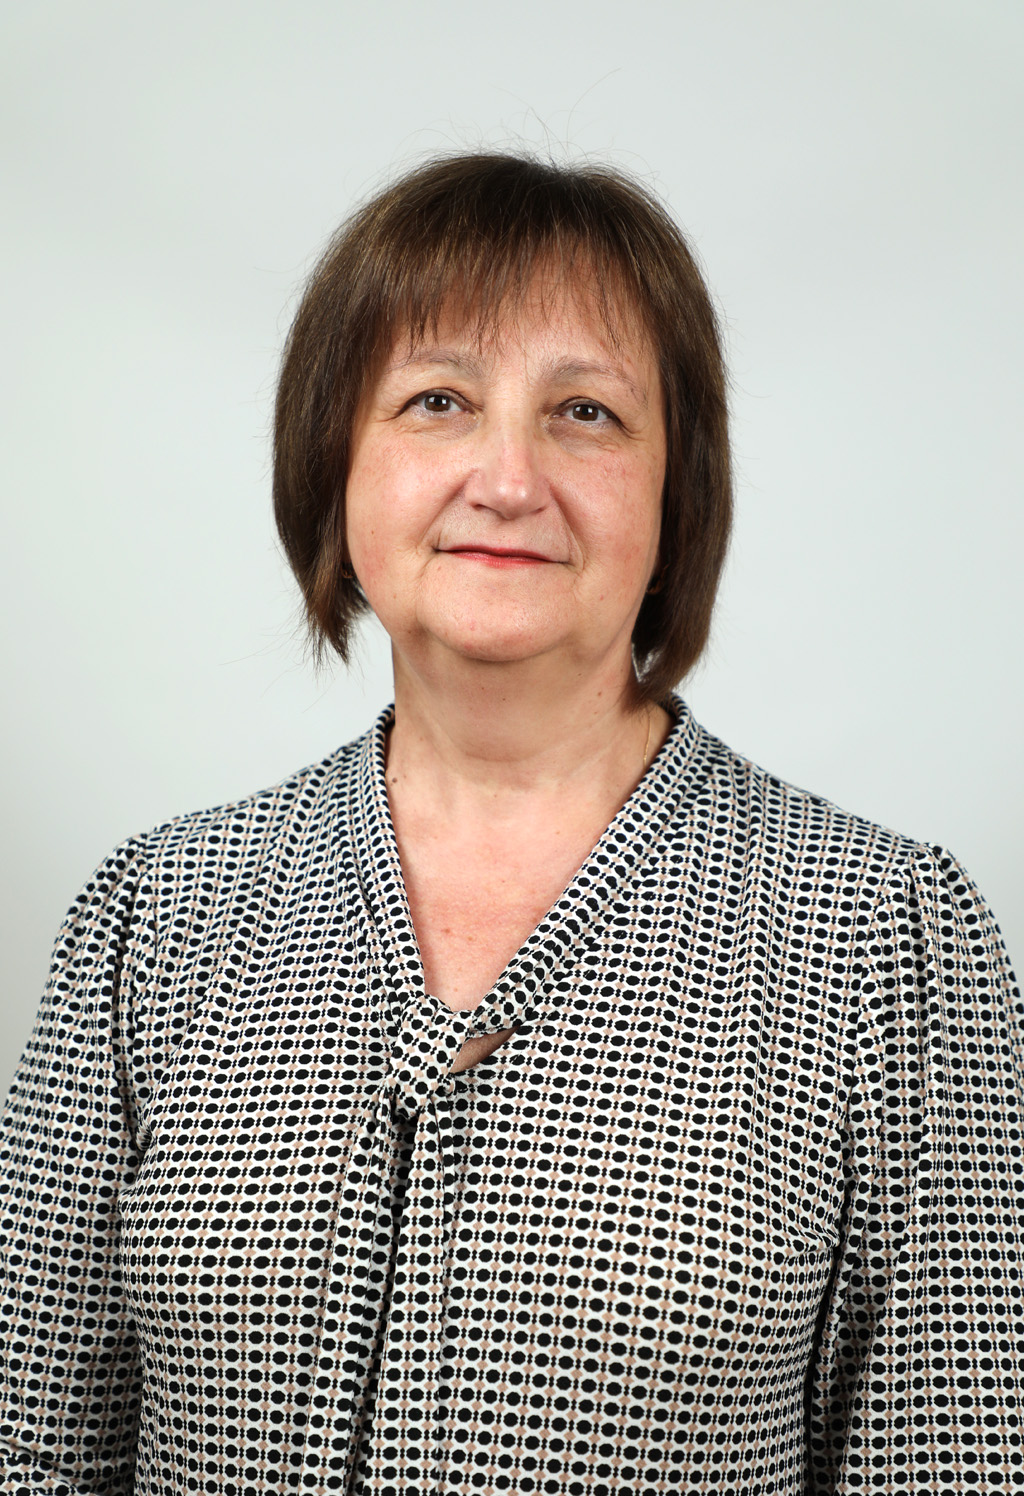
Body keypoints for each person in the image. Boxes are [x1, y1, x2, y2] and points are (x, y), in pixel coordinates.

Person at [0, 152, 1021, 1496]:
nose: (508, 477)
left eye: (586, 413)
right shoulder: (153, 915)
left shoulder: (896, 941)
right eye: (438, 401)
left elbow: (955, 1461)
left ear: (678, 494)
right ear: (335, 459)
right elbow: (34, 1450)